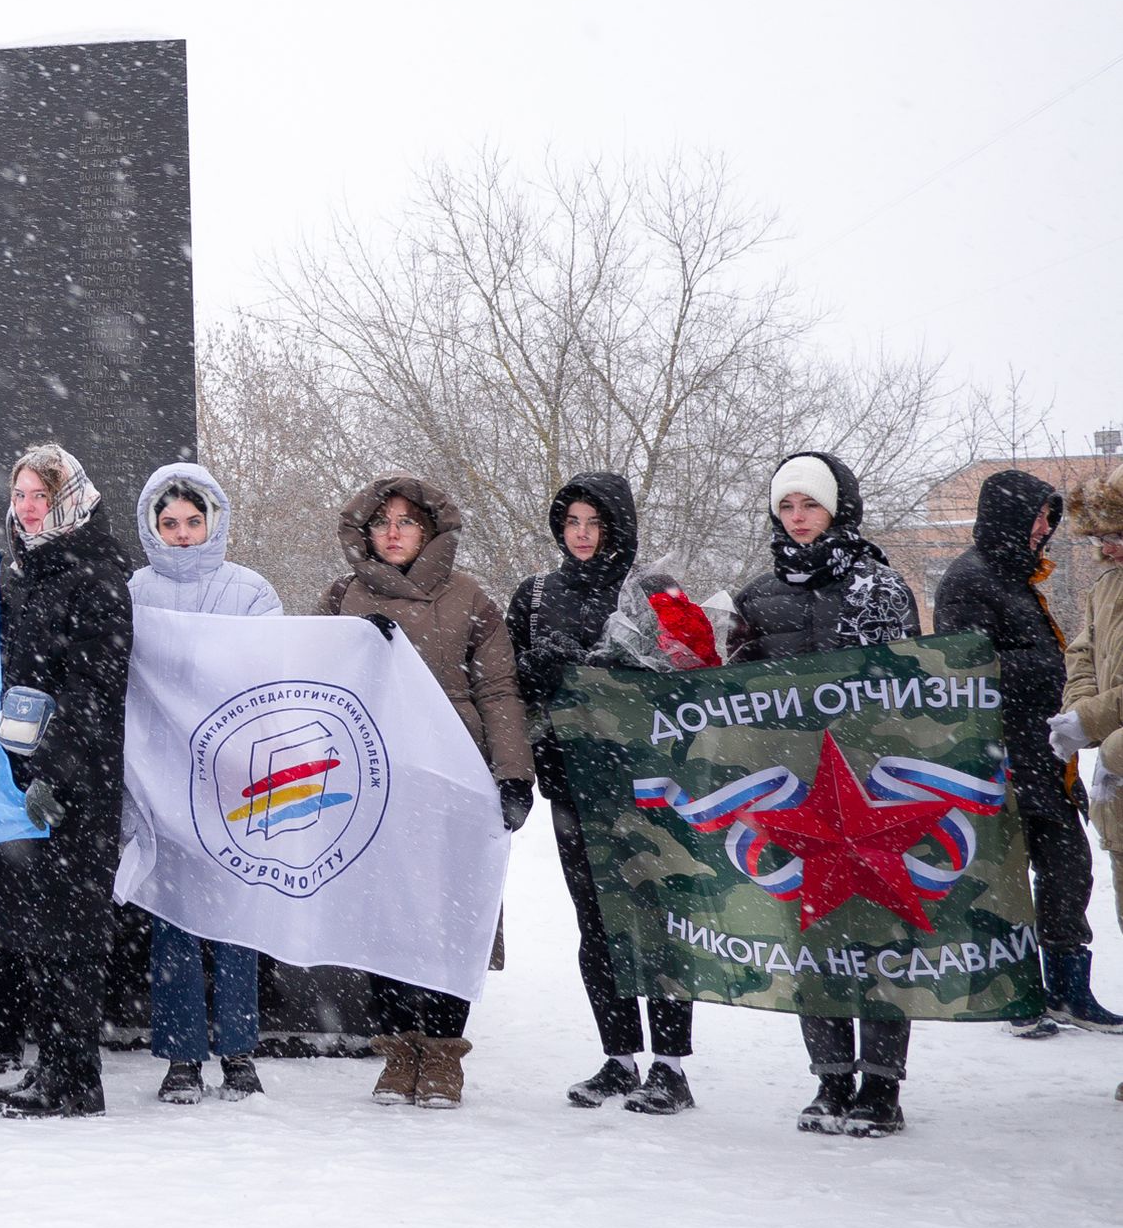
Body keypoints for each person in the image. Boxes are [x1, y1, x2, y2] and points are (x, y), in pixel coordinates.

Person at [321, 475, 532, 1111]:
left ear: (431, 531)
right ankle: (397, 1050)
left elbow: (498, 688)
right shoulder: (342, 596)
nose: (393, 532)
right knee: (385, 913)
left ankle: (442, 1053)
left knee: (451, 913)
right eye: (382, 521)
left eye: (407, 522)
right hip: (373, 774)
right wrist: (357, 648)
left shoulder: (470, 597)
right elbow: (311, 677)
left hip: (454, 774)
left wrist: (512, 772)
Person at [733, 450, 920, 1138]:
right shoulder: (757, 596)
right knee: (811, 932)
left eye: (809, 503)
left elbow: (915, 686)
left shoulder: (881, 587)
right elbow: (735, 691)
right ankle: (831, 1078)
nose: (798, 516)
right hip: (797, 794)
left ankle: (882, 1084)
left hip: (873, 790)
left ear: (836, 508)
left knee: (879, 934)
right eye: (785, 505)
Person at [508, 473, 699, 1113]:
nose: (582, 535)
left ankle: (670, 1068)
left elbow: (691, 673)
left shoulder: (654, 590)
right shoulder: (536, 595)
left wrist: (610, 669)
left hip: (648, 783)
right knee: (595, 923)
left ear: (619, 527)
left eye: (595, 522)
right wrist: (537, 669)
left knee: (659, 921)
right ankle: (619, 1058)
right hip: (573, 782)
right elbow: (503, 681)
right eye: (571, 523)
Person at [937, 470, 1121, 1033]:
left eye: (1049, 516)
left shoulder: (1017, 578)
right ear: (1008, 515)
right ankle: (1012, 993)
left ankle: (1067, 989)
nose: (1046, 527)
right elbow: (962, 672)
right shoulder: (968, 580)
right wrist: (1051, 675)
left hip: (1045, 758)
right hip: (1001, 759)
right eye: (1039, 516)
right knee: (1006, 881)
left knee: (1069, 870)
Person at [0, 445, 136, 1118]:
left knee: (73, 936)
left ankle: (75, 1078)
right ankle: (51, 1064)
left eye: (40, 496)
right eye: (19, 495)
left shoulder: (96, 572)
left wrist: (54, 770)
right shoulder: (30, 570)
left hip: (79, 781)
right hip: (32, 779)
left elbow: (92, 688)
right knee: (42, 932)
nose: (27, 508)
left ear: (69, 499)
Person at [128, 463, 279, 1104]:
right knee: (174, 923)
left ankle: (239, 1053)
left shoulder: (250, 590)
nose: (183, 534)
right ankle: (182, 1056)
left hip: (235, 777)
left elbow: (276, 672)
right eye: (170, 523)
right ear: (152, 527)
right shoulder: (135, 590)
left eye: (193, 521)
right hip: (163, 778)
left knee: (236, 920)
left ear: (214, 521)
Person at [1056, 473, 1123, 1094]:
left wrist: (1098, 725)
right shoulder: (1105, 587)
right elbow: (1083, 653)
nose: (1106, 546)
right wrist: (1081, 714)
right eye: (1099, 535)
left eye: (1117, 533)